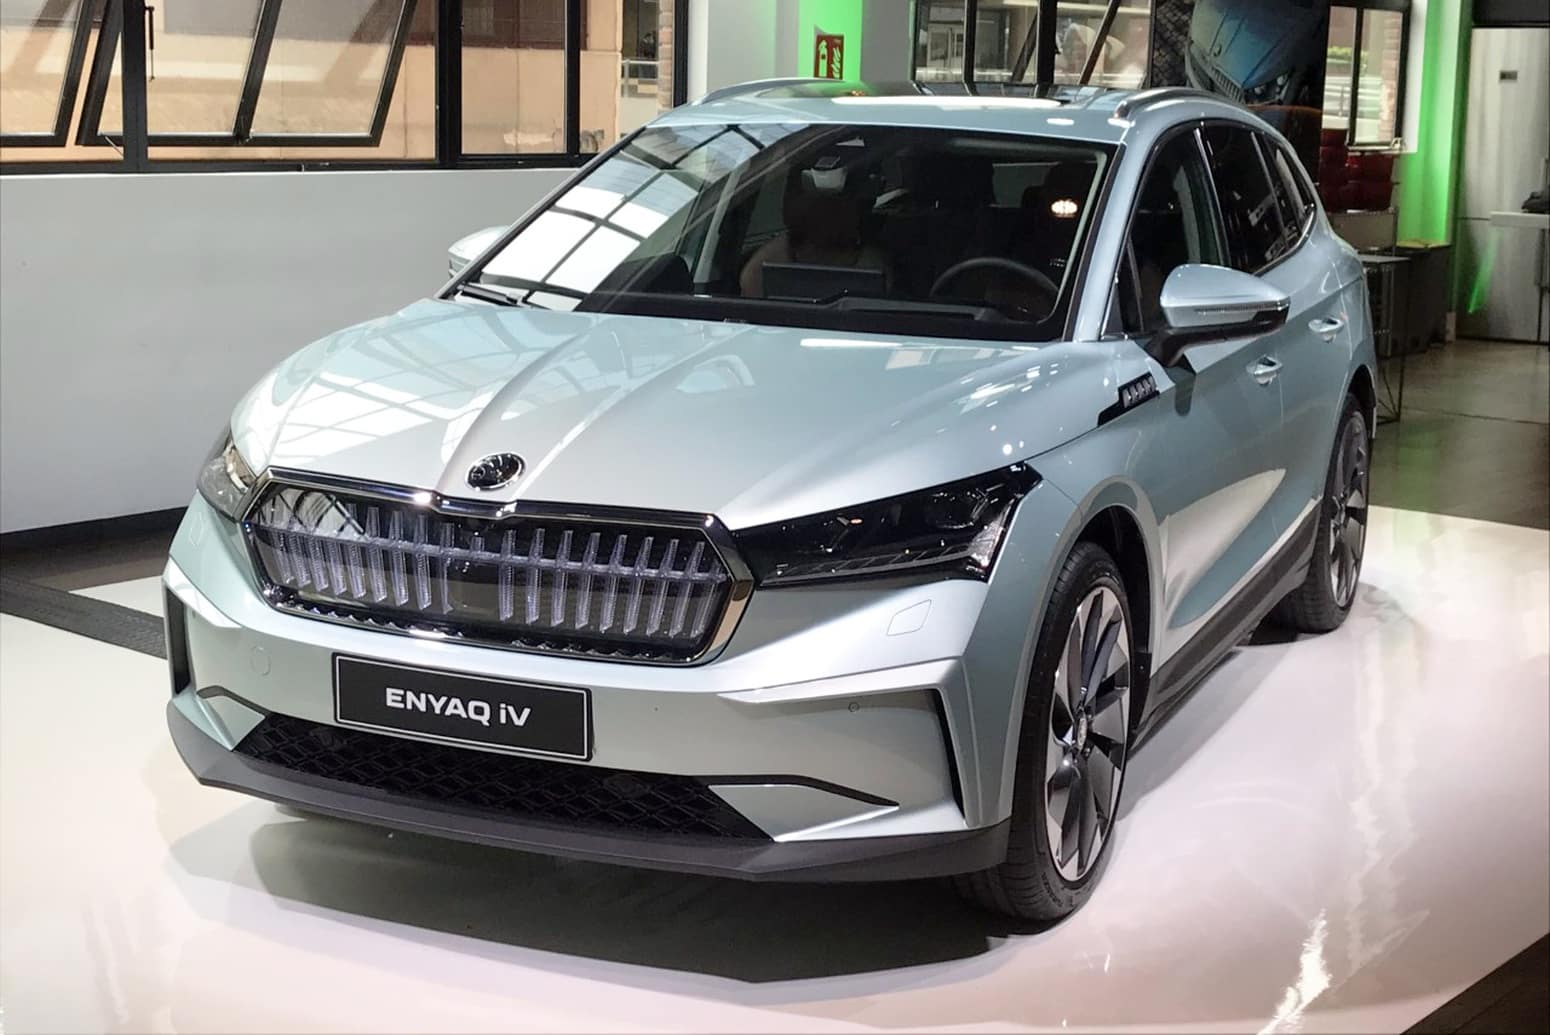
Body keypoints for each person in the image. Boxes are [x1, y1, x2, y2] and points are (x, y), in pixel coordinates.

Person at [740, 162, 890, 298]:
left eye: (836, 207)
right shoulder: (767, 261)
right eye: (821, 206)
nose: (828, 216)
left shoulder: (873, 267)